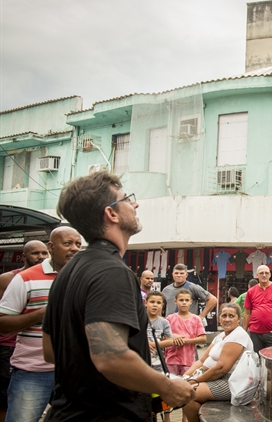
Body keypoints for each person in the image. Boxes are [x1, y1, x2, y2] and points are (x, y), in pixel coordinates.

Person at [42, 171, 195, 420]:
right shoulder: (112, 271)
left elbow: (50, 351)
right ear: (111, 213)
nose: (134, 204)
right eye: (127, 199)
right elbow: (109, 357)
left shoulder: (68, 271)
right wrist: (167, 387)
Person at [0, 227, 81, 422]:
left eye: (78, 244)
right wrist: (42, 314)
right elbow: (3, 323)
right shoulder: (24, 278)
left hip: (75, 373)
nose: (75, 248)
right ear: (51, 247)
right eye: (67, 243)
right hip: (32, 373)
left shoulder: (83, 277)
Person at [0, 240, 48, 422]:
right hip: (8, 346)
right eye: (36, 253)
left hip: (38, 353)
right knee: (6, 397)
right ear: (24, 256)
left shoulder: (52, 277)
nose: (41, 257)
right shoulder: (9, 278)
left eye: (44, 253)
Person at [181, 303, 253, 422]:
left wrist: (193, 382)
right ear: (219, 318)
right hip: (216, 377)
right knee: (185, 390)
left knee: (188, 393)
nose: (227, 319)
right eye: (224, 316)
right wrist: (186, 376)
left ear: (239, 319)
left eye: (231, 316)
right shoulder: (220, 336)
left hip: (232, 382)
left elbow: (221, 368)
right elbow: (202, 360)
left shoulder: (238, 335)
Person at [243, 265, 272, 353]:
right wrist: (244, 332)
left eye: (266, 273)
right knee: (256, 360)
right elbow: (247, 313)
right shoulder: (251, 291)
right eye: (261, 273)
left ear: (270, 275)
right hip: (255, 333)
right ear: (257, 275)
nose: (264, 275)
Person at [145, 291, 173, 422]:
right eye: (152, 302)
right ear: (146, 303)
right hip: (141, 365)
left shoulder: (163, 322)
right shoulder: (138, 319)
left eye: (158, 303)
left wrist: (155, 344)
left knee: (158, 397)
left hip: (157, 366)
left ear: (162, 305)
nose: (155, 305)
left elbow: (170, 340)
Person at [164, 289, 206, 376]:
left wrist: (185, 341)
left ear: (191, 302)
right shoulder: (170, 318)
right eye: (181, 300)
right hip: (171, 359)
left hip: (188, 360)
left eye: (187, 300)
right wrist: (173, 336)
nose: (184, 303)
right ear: (175, 301)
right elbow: (163, 337)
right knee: (171, 384)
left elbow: (203, 338)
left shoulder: (196, 319)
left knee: (186, 384)